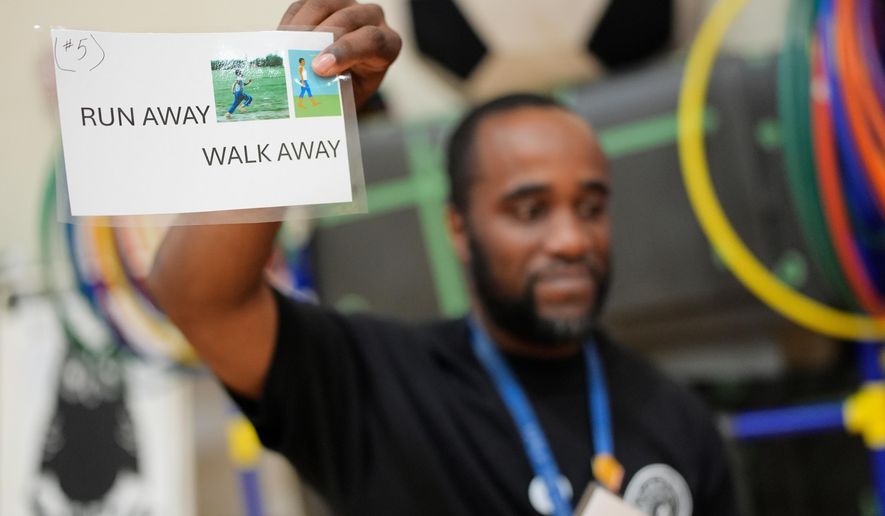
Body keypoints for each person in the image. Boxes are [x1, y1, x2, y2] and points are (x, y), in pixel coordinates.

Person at [147, 1, 736, 515]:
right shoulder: (373, 384)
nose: (571, 240)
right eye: (530, 211)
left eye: (590, 207)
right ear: (459, 227)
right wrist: (281, 104)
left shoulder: (678, 421)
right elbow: (199, 297)